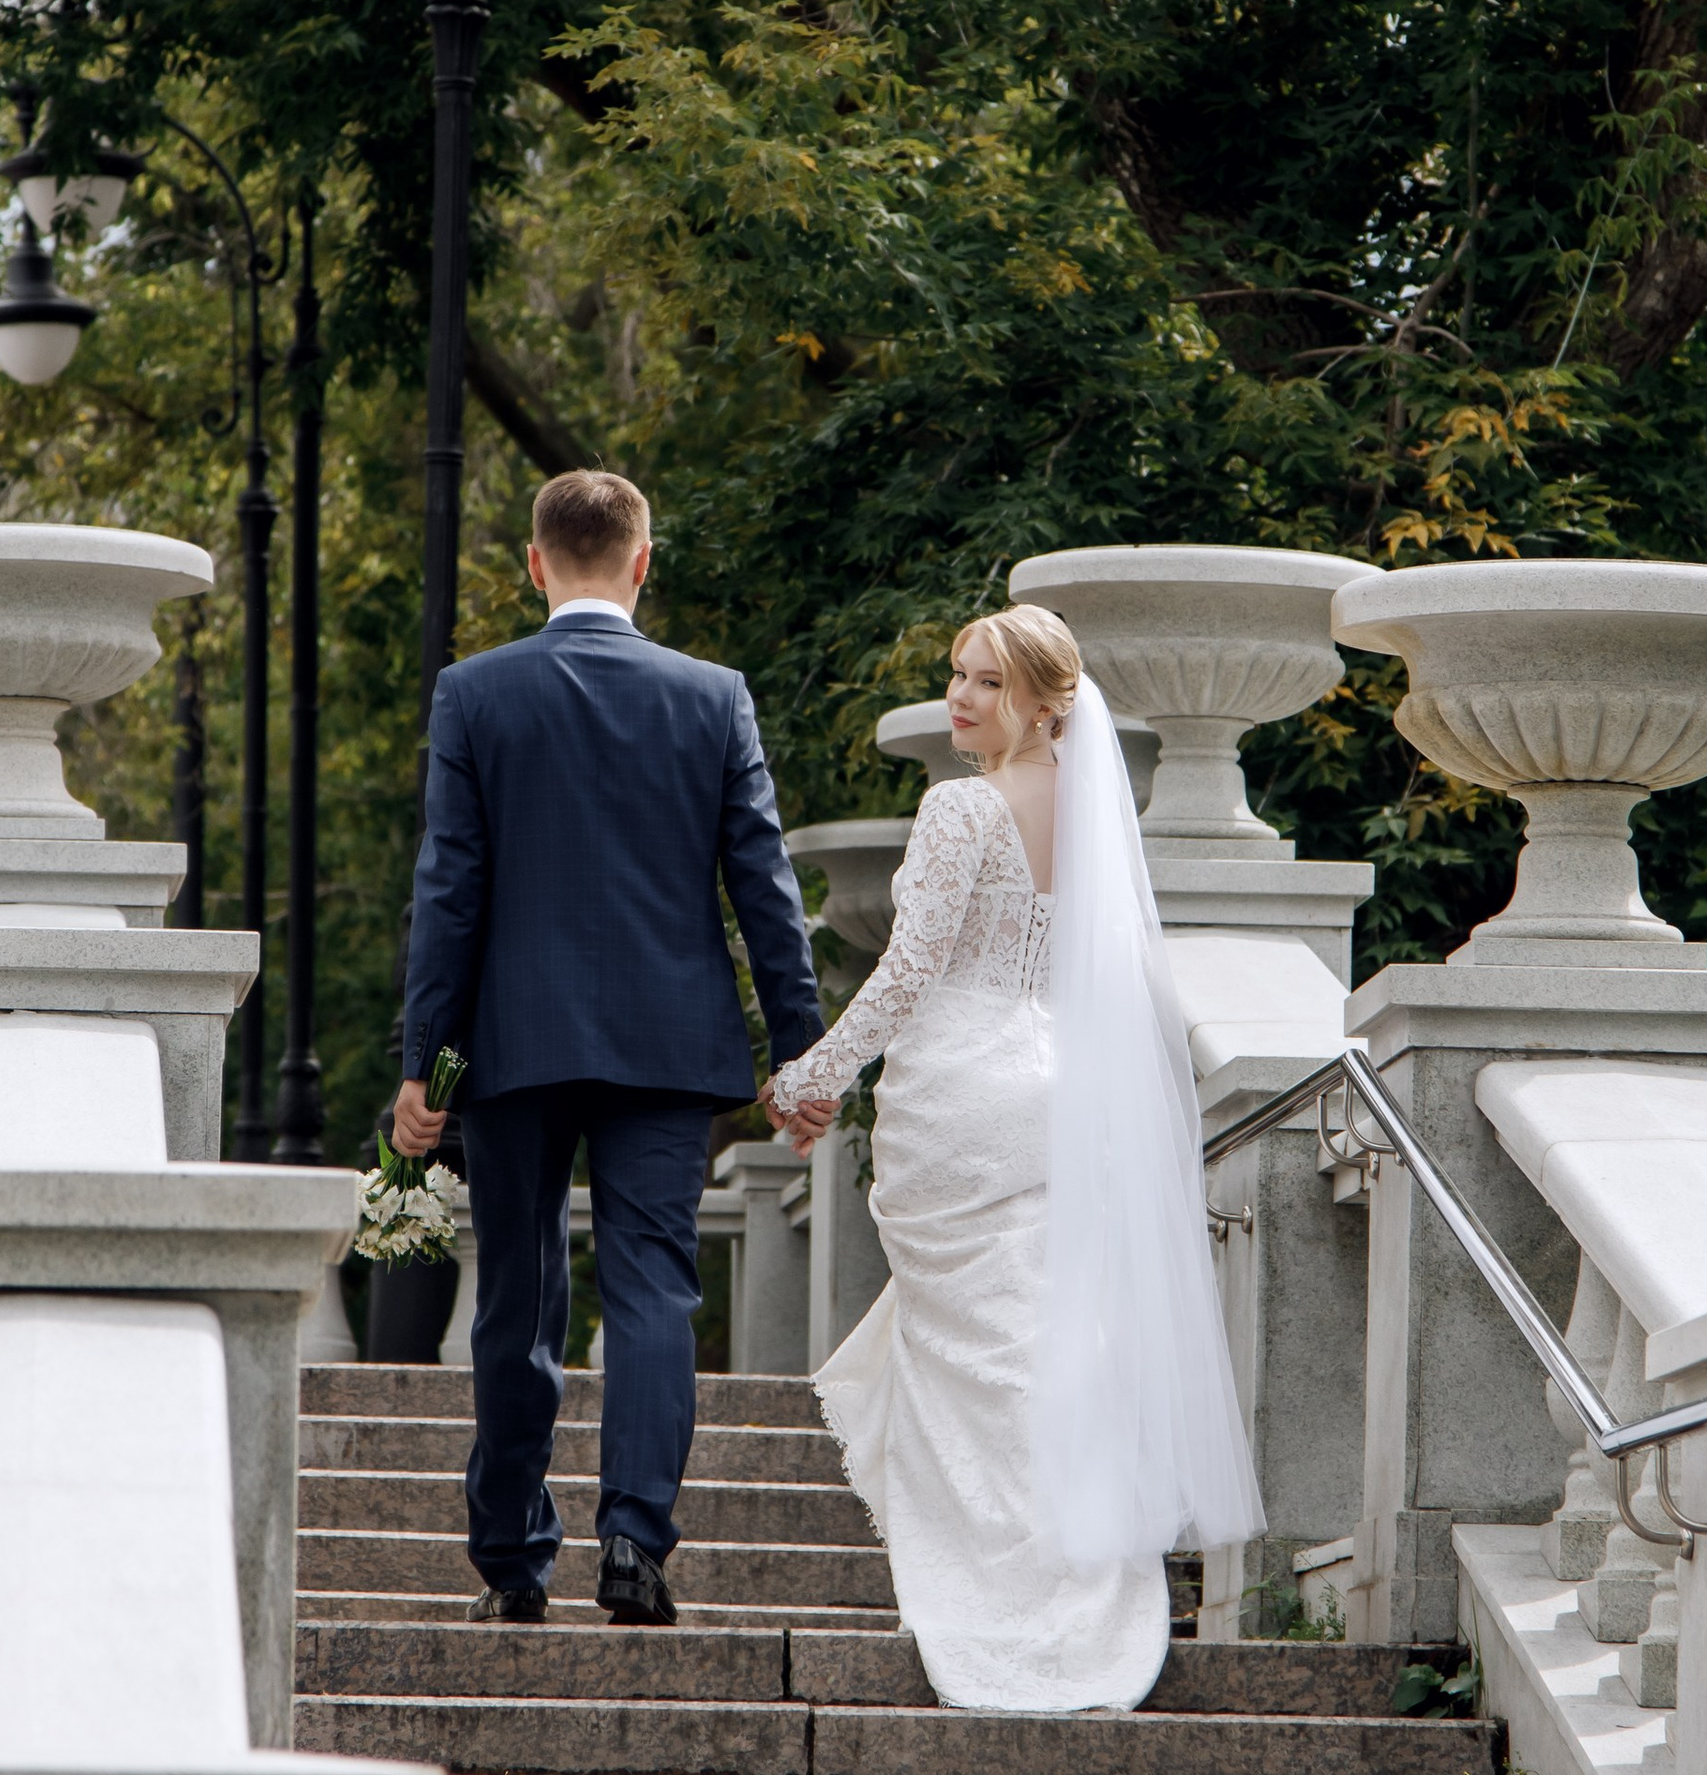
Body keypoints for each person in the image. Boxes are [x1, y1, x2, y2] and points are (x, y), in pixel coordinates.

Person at [766, 603, 1262, 1712]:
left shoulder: (958, 809)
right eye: (957, 675)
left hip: (962, 1096)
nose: (961, 698)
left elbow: (906, 975)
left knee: (977, 1347)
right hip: (1058, 1091)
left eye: (987, 684)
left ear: (1044, 703)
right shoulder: (1090, 820)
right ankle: (1078, 1577)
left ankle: (995, 1588)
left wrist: (813, 1074)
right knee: (1037, 1337)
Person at [396, 470, 823, 1623]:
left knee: (515, 1299)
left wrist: (420, 1062)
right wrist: (802, 1051)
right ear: (643, 561)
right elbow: (763, 890)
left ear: (535, 563)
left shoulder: (473, 695)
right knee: (651, 1294)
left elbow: (448, 893)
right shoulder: (712, 697)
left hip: (512, 1041)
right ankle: (634, 1542)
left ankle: (513, 1562)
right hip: (667, 1043)